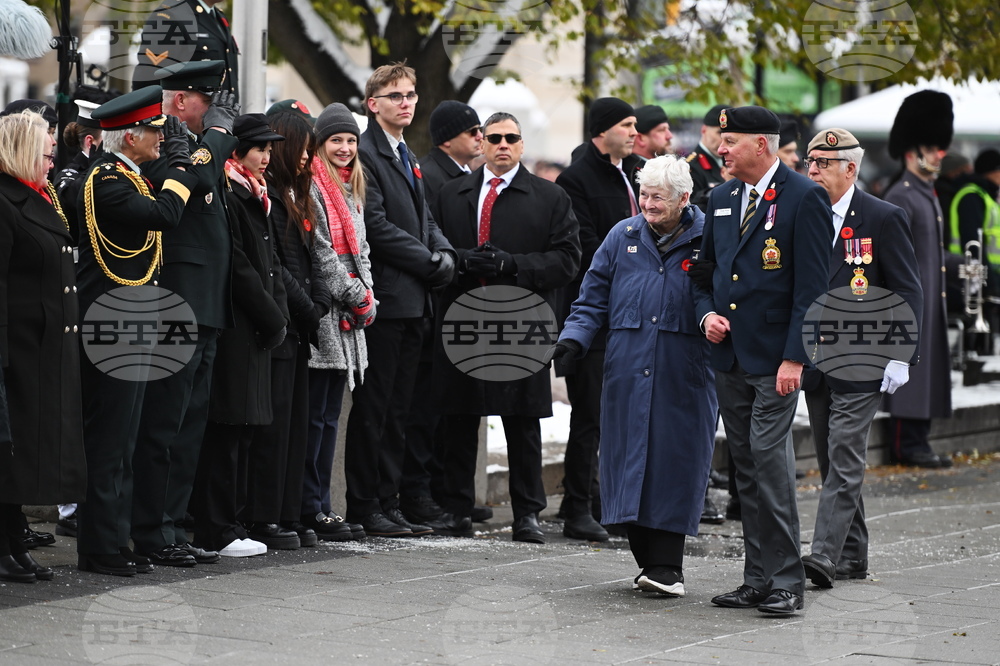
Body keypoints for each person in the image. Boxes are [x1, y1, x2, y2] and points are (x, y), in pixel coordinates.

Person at [550, 155, 716, 596]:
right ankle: (651, 563)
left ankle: (667, 567)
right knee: (628, 463)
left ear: (684, 198)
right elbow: (592, 297)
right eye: (644, 194)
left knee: (673, 464)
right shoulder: (621, 236)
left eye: (658, 197)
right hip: (627, 370)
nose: (648, 203)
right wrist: (573, 339)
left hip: (685, 374)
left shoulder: (709, 239)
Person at [694, 105, 832, 616]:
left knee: (770, 465)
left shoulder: (805, 197)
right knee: (746, 468)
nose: (721, 149)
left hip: (777, 360)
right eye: (721, 140)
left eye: (730, 141)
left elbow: (814, 289)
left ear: (763, 144)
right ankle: (756, 577)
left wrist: (796, 357)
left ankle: (787, 581)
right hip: (731, 355)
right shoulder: (723, 196)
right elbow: (703, 272)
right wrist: (706, 313)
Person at [433, 111, 581, 542]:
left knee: (523, 419)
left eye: (510, 138)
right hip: (463, 314)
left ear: (521, 145)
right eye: (493, 137)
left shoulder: (549, 197)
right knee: (458, 417)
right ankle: (456, 508)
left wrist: (513, 265)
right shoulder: (451, 193)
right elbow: (433, 246)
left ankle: (527, 513)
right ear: (481, 143)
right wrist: (462, 261)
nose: (501, 144)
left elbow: (568, 260)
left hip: (521, 318)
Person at [75, 87, 199, 576]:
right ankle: (99, 545)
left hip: (131, 310)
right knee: (109, 439)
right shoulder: (108, 180)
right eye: (154, 131)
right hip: (111, 314)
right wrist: (183, 168)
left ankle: (115, 537)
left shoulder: (130, 177)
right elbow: (165, 216)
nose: (161, 138)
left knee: (126, 438)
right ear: (130, 138)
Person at [799, 128, 923, 587]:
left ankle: (824, 555)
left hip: (864, 355)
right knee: (834, 461)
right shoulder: (802, 214)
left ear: (850, 169)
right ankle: (854, 556)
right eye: (810, 163)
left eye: (823, 164)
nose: (812, 171)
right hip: (816, 357)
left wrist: (902, 355)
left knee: (845, 455)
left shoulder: (882, 217)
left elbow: (907, 288)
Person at [130, 60, 240, 567]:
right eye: (204, 100)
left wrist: (213, 139)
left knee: (189, 425)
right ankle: (150, 528)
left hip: (207, 306)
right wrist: (216, 134)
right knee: (164, 425)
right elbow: (189, 178)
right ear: (179, 101)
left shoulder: (197, 152)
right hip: (176, 304)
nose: (213, 111)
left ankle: (172, 525)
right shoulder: (161, 146)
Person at [345, 62, 456, 537]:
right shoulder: (365, 153)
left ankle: (388, 502)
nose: (406, 102)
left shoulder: (404, 151)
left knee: (399, 411)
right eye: (395, 96)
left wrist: (445, 250)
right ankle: (364, 504)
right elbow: (375, 224)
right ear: (373, 105)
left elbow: (424, 216)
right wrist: (428, 263)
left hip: (414, 300)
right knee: (375, 410)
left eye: (410, 94)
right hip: (388, 298)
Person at [192, 114, 287, 558]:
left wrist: (278, 315)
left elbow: (272, 264)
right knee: (226, 432)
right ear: (236, 153)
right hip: (238, 326)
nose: (266, 157)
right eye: (258, 149)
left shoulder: (256, 194)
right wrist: (272, 316)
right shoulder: (230, 194)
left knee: (245, 431)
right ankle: (217, 528)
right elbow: (240, 266)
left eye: (270, 149)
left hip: (258, 327)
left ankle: (233, 521)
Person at [238, 111, 329, 551]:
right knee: (272, 430)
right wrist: (310, 309)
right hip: (281, 324)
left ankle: (288, 512)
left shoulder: (293, 195)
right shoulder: (269, 195)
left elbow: (310, 261)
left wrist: (320, 305)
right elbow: (276, 268)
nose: (308, 158)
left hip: (299, 326)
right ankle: (264, 516)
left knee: (295, 429)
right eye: (304, 149)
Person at [0, 110, 84, 583]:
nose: (51, 163)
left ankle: (13, 541)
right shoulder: (4, 200)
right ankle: (5, 543)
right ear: (20, 151)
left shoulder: (37, 197)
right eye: (45, 154)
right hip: (18, 348)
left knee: (23, 455)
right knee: (11, 454)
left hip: (43, 347)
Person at [554, 97, 639, 542]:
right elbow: (589, 249)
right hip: (594, 315)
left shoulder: (637, 170)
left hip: (635, 316)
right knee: (588, 415)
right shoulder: (577, 179)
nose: (633, 132)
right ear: (602, 130)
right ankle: (576, 507)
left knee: (620, 415)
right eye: (626, 124)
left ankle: (609, 499)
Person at [400, 100, 484, 527]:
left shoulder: (463, 176)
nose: (482, 139)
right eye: (474, 132)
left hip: (450, 306)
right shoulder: (432, 176)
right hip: (433, 304)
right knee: (423, 411)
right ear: (449, 138)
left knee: (444, 410)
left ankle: (446, 488)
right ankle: (423, 490)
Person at [302, 102, 373, 542]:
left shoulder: (352, 188)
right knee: (316, 418)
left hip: (352, 315)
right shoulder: (313, 185)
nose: (345, 148)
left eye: (350, 140)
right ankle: (311, 506)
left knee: (330, 417)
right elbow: (323, 251)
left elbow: (362, 250)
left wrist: (368, 297)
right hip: (329, 313)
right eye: (336, 141)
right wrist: (355, 295)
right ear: (321, 144)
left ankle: (325, 504)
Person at [882, 90, 955, 469]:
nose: (940, 154)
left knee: (929, 368)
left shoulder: (924, 192)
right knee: (913, 369)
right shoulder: (903, 195)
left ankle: (918, 438)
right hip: (909, 300)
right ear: (913, 151)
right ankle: (907, 442)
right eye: (933, 147)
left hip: (929, 296)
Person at [135, 0, 239, 98]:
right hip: (186, 115)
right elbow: (149, 78)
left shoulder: (218, 16)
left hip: (223, 114)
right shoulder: (170, 15)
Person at [948, 148, 1000, 332]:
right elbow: (973, 243)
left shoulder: (986, 196)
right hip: (969, 276)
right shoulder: (972, 195)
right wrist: (989, 285)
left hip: (986, 274)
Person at [686, 104, 728, 211]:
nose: (724, 140)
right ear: (704, 130)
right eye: (719, 133)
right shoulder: (691, 167)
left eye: (729, 135)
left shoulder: (730, 162)